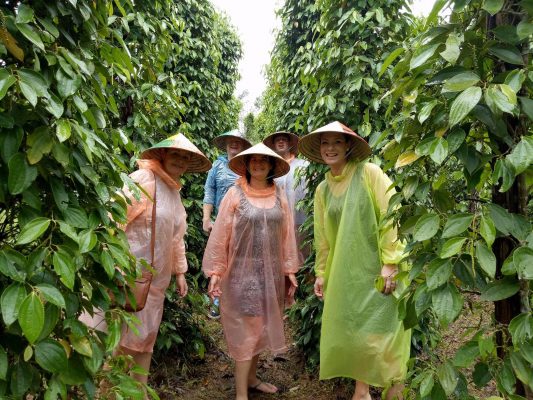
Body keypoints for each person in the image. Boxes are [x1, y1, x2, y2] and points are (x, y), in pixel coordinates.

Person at [83, 133, 211, 388]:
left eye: (186, 158)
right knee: (119, 343)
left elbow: (176, 236)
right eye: (176, 154)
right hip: (128, 278)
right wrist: (114, 263)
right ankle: (109, 393)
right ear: (163, 155)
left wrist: (180, 272)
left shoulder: (173, 192)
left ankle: (136, 392)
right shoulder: (143, 179)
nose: (181, 161)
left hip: (154, 284)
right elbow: (112, 219)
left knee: (144, 340)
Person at [298, 121, 410, 400]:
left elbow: (391, 215)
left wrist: (391, 262)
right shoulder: (322, 189)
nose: (330, 148)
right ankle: (362, 393)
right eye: (325, 143)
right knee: (359, 331)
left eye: (337, 142)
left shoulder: (369, 173)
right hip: (348, 272)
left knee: (387, 332)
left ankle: (395, 391)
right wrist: (322, 273)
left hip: (379, 268)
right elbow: (323, 237)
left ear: (348, 146)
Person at [202, 143, 301, 400]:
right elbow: (221, 234)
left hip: (271, 272)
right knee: (246, 331)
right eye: (253, 160)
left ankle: (253, 378)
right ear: (246, 165)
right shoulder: (235, 194)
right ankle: (241, 393)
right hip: (240, 272)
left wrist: (289, 268)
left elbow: (288, 234)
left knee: (260, 328)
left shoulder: (279, 195)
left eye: (263, 161)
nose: (258, 164)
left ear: (271, 166)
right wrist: (216, 270)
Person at [203, 130, 252, 318]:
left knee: (241, 261)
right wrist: (206, 218)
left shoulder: (248, 165)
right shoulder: (218, 165)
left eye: (238, 142)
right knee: (219, 260)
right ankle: (217, 301)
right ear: (226, 144)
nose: (234, 144)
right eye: (231, 141)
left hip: (244, 223)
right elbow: (209, 191)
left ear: (243, 145)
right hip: (222, 223)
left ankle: (238, 301)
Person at [263, 131, 309, 261]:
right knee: (279, 257)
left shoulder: (303, 165)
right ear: (273, 145)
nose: (281, 142)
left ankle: (305, 280)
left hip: (301, 220)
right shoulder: (270, 169)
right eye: (278, 140)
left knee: (303, 254)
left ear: (289, 144)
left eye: (284, 139)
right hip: (276, 221)